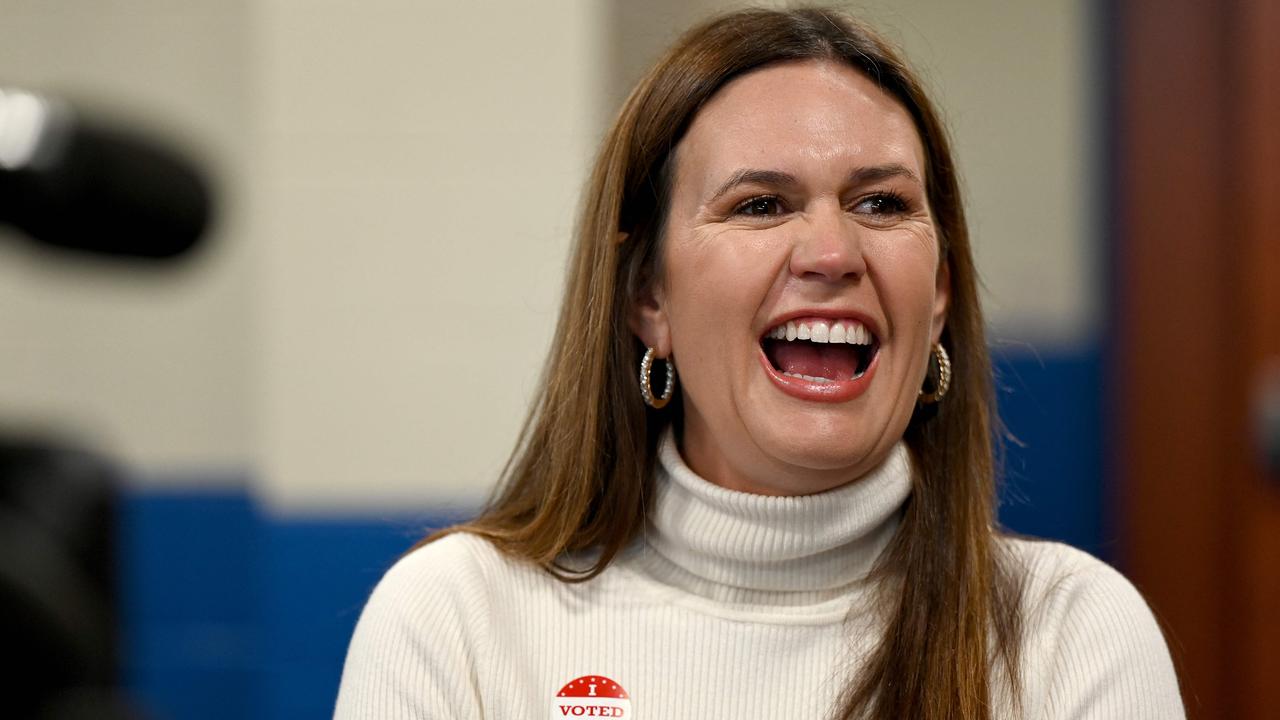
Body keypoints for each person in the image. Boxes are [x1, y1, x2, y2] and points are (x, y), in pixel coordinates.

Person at [334, 7, 1184, 720]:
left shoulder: (1071, 636)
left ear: (938, 300)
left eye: (881, 203)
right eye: (762, 204)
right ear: (647, 298)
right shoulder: (458, 621)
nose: (830, 251)